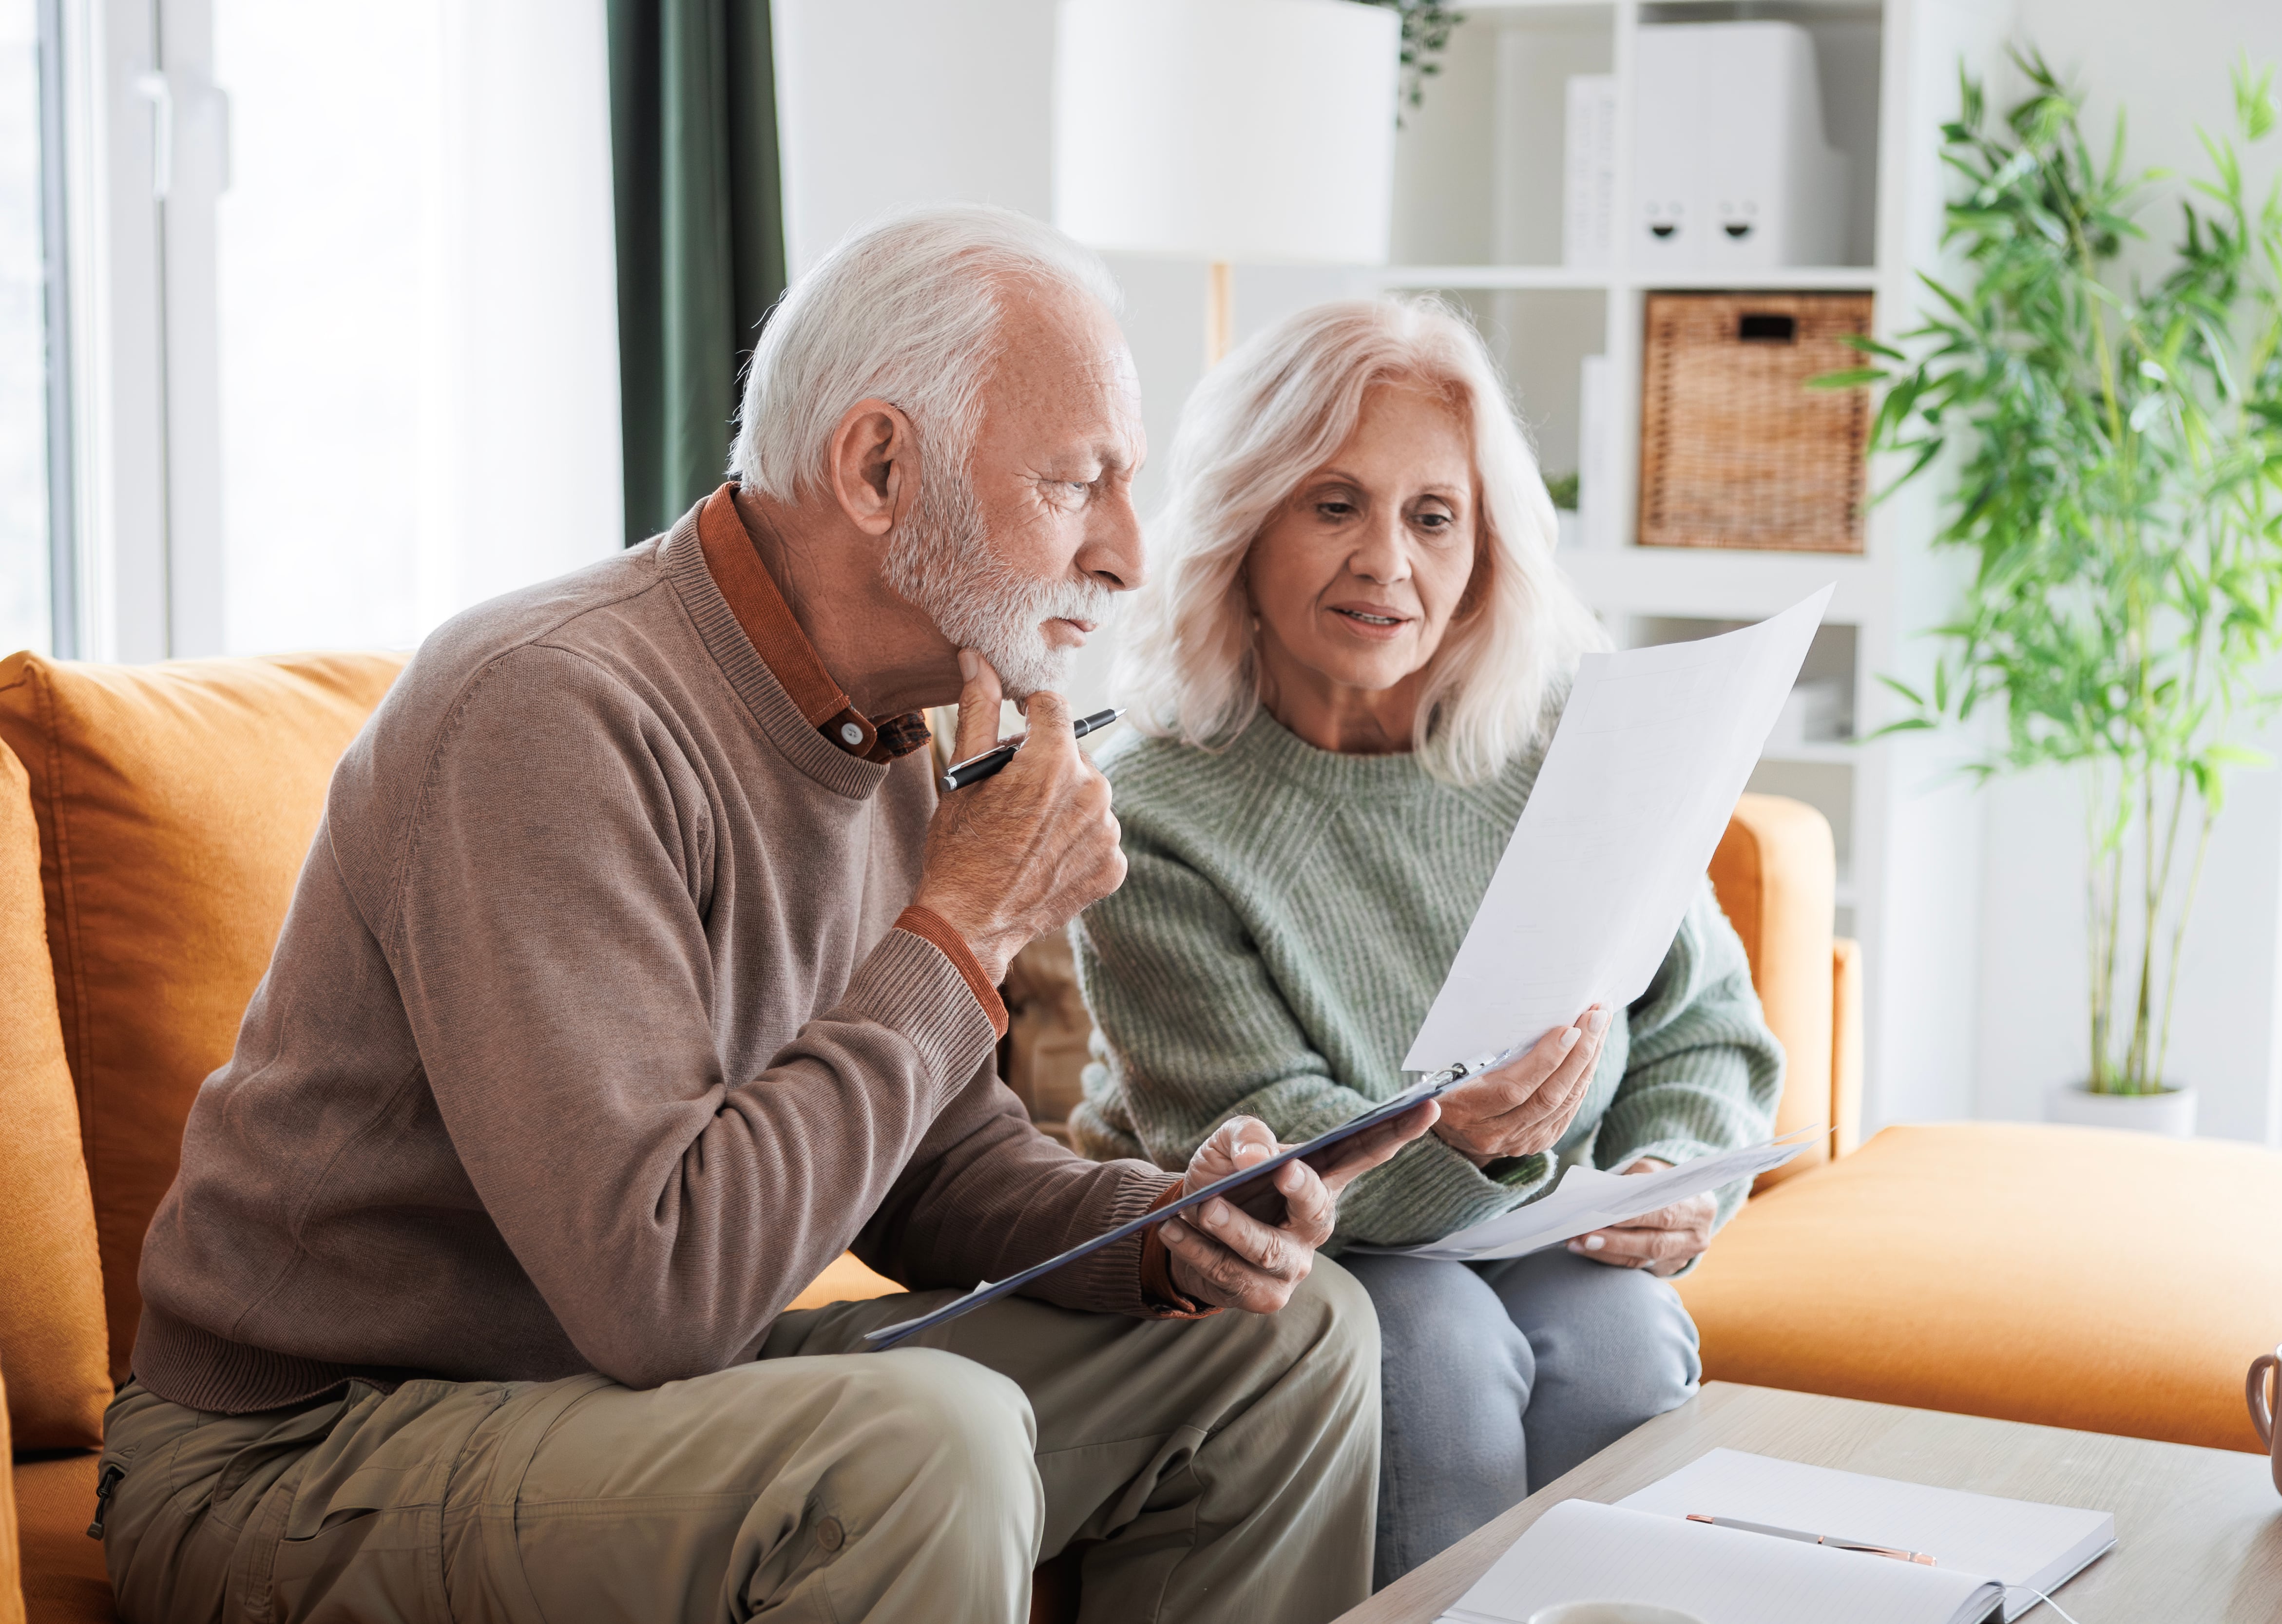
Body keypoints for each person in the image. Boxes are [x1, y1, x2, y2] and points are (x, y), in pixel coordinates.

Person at [99, 207, 1434, 1624]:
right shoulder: (549, 709)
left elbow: (932, 1168)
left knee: (1286, 1346)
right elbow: (661, 1290)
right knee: (930, 1446)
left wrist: (1166, 1231)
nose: (1126, 552)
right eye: (1077, 483)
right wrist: (967, 926)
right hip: (299, 1456)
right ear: (877, 467)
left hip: (617, 1411)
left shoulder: (905, 727)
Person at [1069, 296, 1786, 1587]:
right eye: (1333, 504)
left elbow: (1705, 1024)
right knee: (1436, 1346)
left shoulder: (1569, 734)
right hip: (1291, 1260)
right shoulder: (1148, 814)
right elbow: (1265, 1144)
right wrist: (1459, 1143)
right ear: (1243, 520)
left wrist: (1678, 1174)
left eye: (1432, 515)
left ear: (1487, 544)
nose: (1387, 562)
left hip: (1547, 1233)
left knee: (1625, 1338)